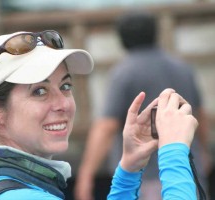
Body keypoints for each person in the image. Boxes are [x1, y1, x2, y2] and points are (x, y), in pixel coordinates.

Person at [0, 30, 199, 200]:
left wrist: (129, 167)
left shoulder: (2, 188)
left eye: (65, 86)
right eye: (40, 91)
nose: (63, 104)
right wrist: (173, 152)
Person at [74, 12, 211, 200]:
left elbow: (106, 126)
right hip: (186, 170)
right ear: (156, 33)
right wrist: (203, 151)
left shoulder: (123, 72)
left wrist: (86, 173)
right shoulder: (182, 67)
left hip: (146, 179)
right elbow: (199, 115)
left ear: (121, 38)